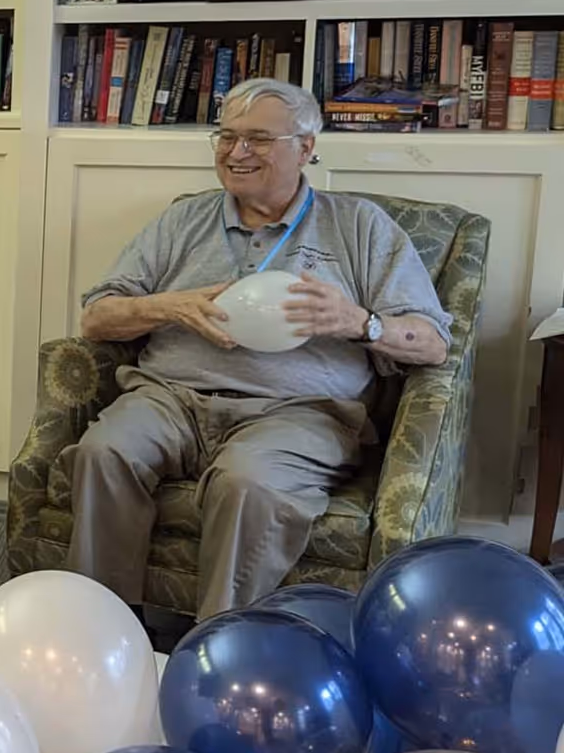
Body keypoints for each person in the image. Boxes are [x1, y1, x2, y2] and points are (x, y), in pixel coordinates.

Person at [62, 78, 451, 619]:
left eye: (259, 139)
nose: (236, 152)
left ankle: (223, 645)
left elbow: (433, 343)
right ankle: (102, 629)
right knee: (104, 452)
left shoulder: (359, 226)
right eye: (226, 136)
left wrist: (360, 322)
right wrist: (170, 307)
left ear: (307, 147)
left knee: (247, 482)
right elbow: (96, 316)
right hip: (169, 398)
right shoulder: (184, 220)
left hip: (297, 413)